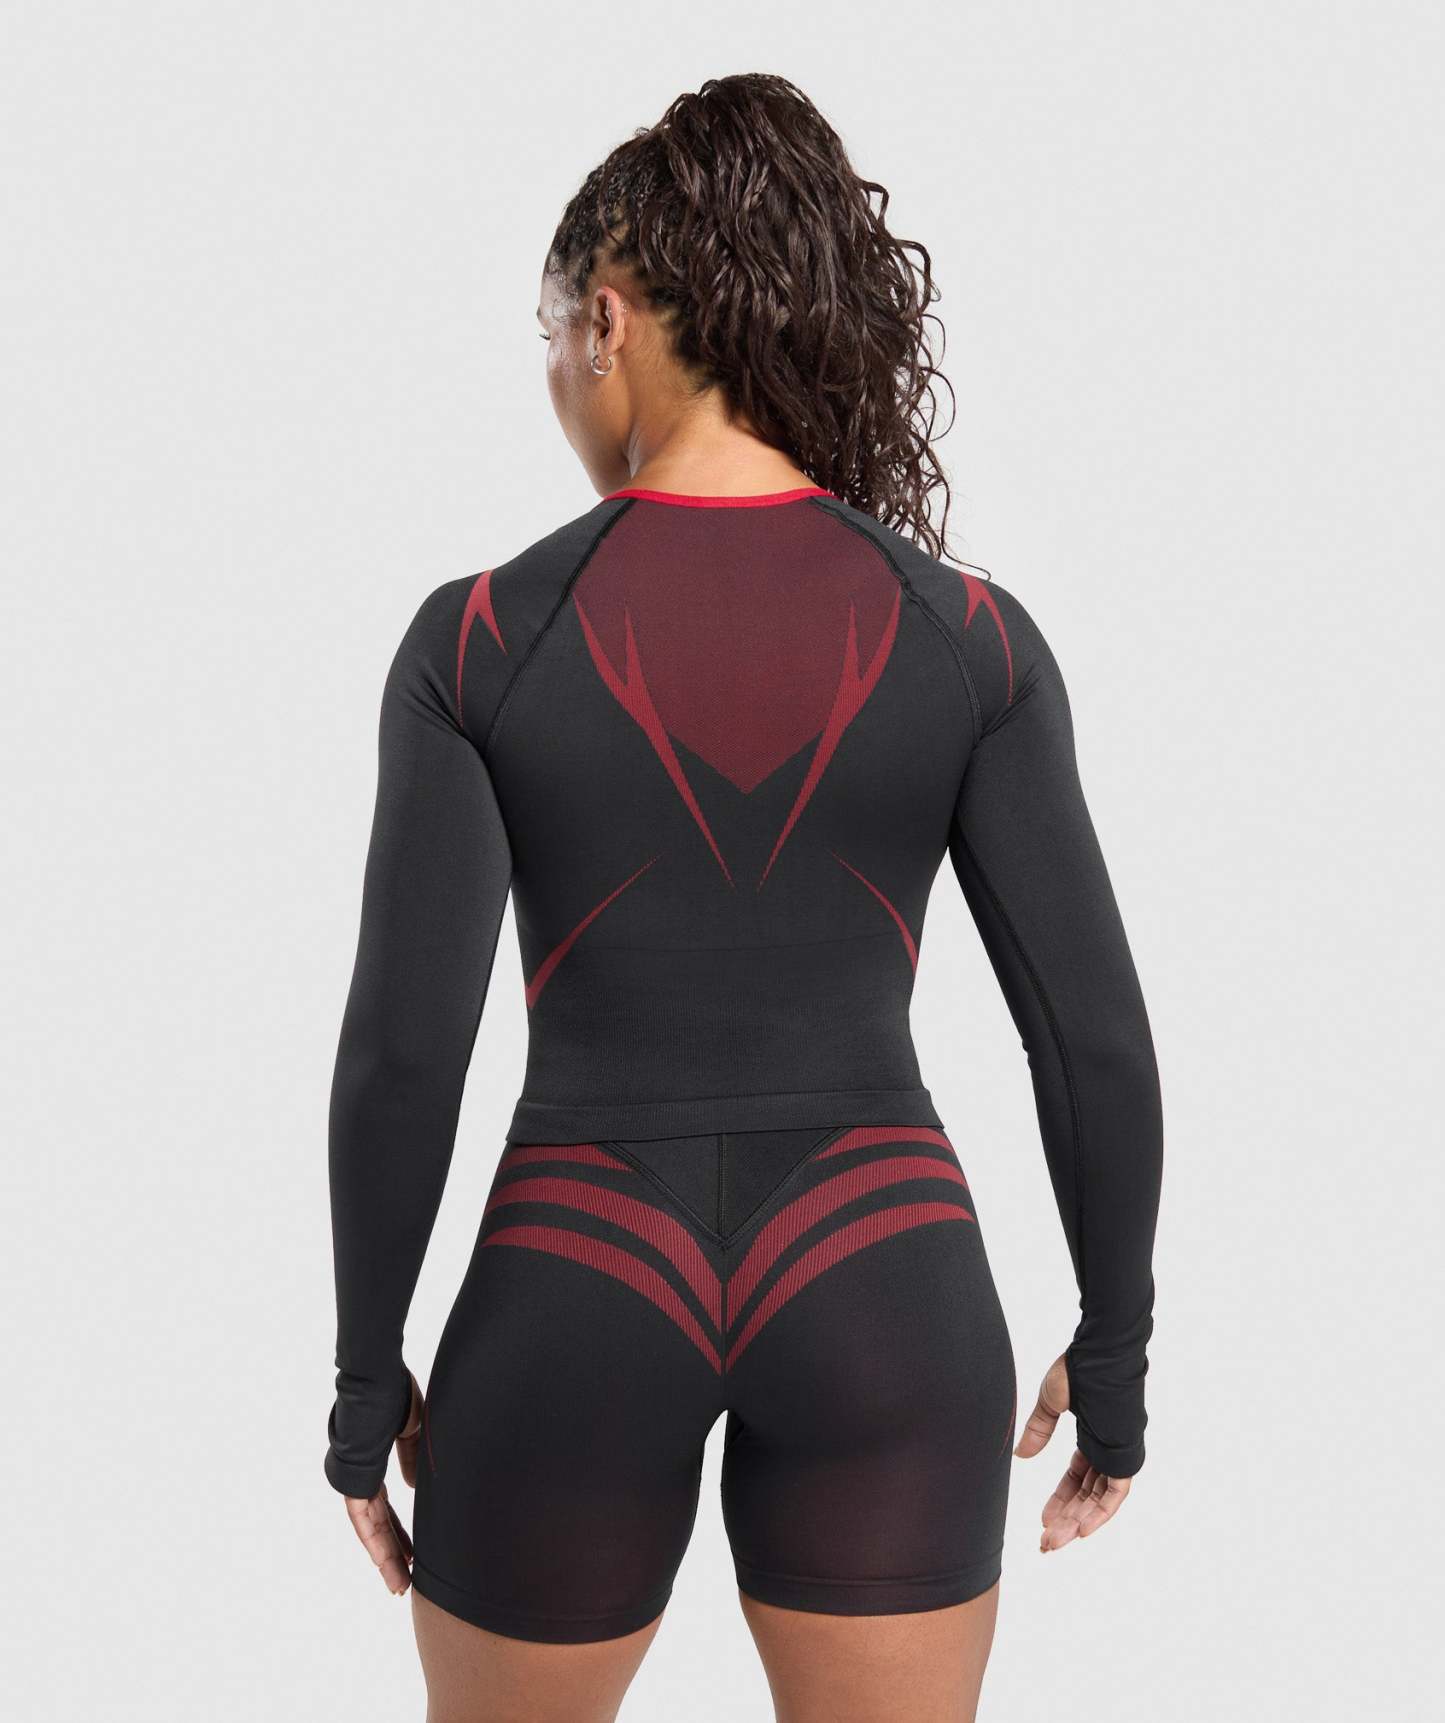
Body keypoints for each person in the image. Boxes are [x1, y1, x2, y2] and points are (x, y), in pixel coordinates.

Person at [324, 73, 1163, 1723]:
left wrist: (367, 1390)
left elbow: (404, 1057)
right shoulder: (969, 639)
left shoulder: (480, 640)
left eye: (548, 336)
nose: (553, 379)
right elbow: (1095, 1043)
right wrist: (1115, 1356)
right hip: (884, 1272)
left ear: (608, 321)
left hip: (575, 1270)